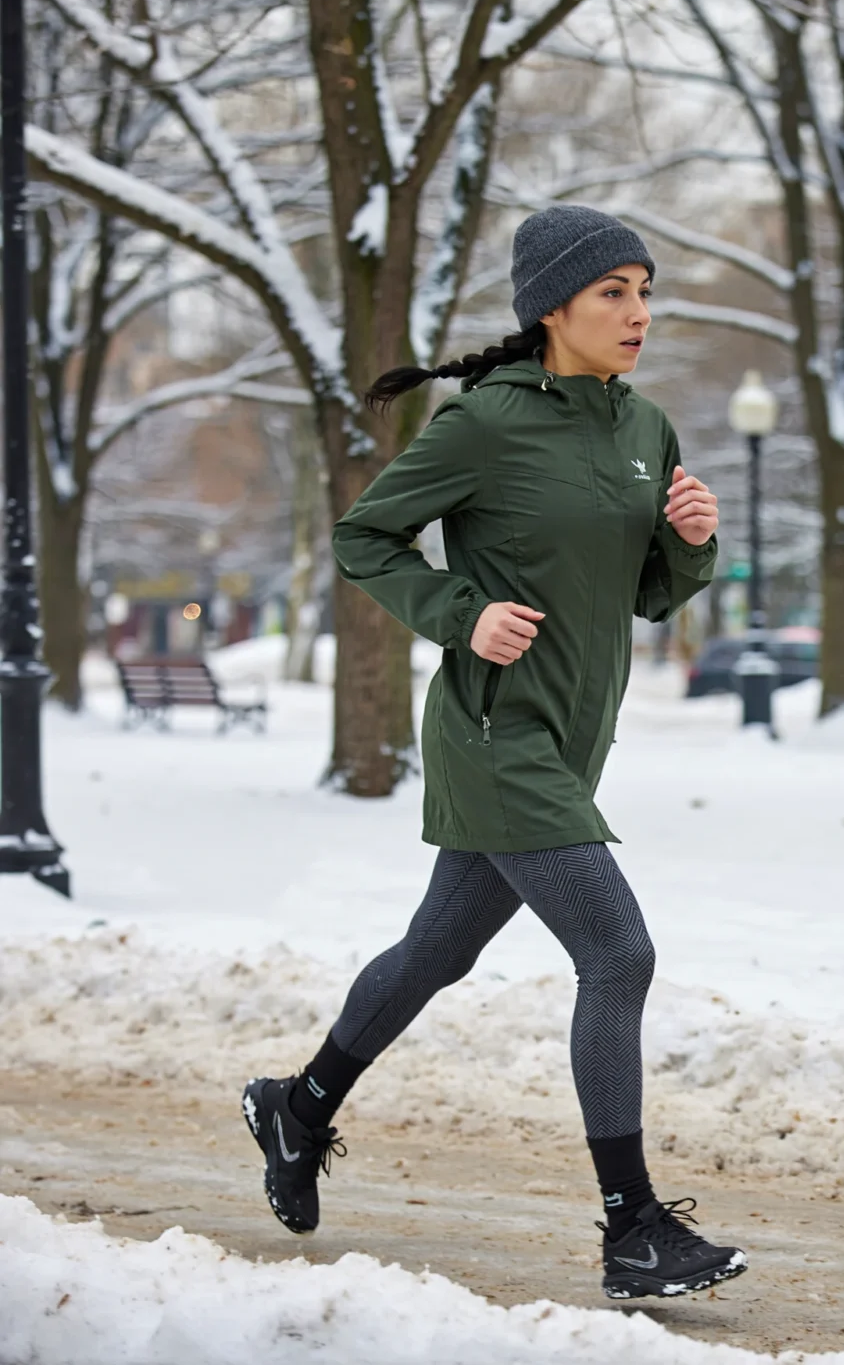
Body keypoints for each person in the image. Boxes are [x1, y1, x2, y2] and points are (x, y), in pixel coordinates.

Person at [242, 205, 746, 1301]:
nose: (638, 313)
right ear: (551, 306)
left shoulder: (642, 428)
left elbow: (645, 595)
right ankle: (632, 1227)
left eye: (644, 291)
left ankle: (299, 1103)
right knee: (618, 954)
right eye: (612, 292)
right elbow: (363, 537)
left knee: (437, 951)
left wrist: (694, 547)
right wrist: (458, 612)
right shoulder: (484, 425)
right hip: (493, 732)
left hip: (570, 739)